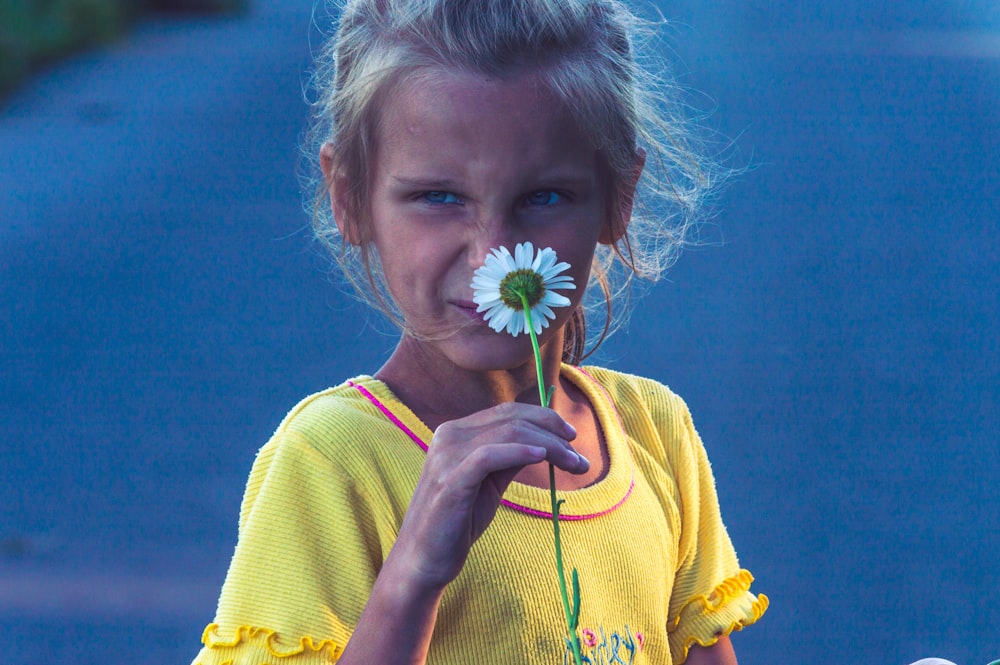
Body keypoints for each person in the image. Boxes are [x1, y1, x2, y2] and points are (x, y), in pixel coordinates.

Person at [190, 0, 768, 663]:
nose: (493, 253)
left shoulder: (655, 435)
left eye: (543, 196)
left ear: (618, 199)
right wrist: (413, 575)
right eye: (440, 197)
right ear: (350, 198)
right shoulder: (333, 462)